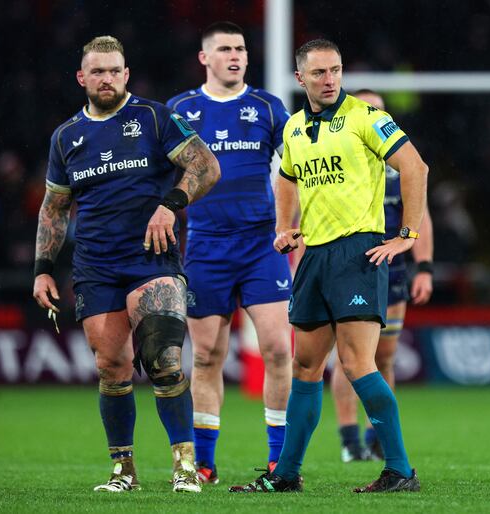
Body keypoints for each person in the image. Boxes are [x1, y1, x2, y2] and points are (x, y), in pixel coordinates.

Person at [229, 39, 428, 494]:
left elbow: (415, 168)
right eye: (318, 73)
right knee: (304, 367)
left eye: (335, 70)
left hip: (357, 252)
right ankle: (285, 475)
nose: (329, 79)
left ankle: (399, 470)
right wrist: (285, 226)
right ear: (300, 78)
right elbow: (285, 177)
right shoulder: (296, 128)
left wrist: (407, 237)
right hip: (314, 255)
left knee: (358, 363)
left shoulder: (366, 118)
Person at [32, 35, 220, 493]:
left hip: (151, 258)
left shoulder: (154, 118)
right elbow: (54, 208)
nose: (107, 79)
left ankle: (185, 466)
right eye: (98, 71)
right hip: (96, 265)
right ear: (82, 78)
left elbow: (206, 167)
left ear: (126, 74)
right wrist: (42, 267)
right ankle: (124, 472)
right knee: (112, 366)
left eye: (115, 70)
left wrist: (170, 204)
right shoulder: (66, 137)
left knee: (163, 357)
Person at [166, 21, 293, 484]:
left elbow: (295, 168)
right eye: (224, 49)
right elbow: (160, 176)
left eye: (240, 48)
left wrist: (291, 222)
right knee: (205, 357)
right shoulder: (179, 109)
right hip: (205, 245)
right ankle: (204, 462)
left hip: (262, 244)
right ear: (205, 58)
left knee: (279, 349)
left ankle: (280, 458)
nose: (235, 55)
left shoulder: (266, 107)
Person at [330, 89, 434, 462]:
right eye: (368, 109)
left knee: (383, 357)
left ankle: (375, 437)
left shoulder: (400, 168)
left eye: (381, 111)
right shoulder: (340, 164)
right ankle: (349, 439)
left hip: (393, 273)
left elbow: (421, 217)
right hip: (349, 269)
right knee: (349, 355)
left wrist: (424, 267)